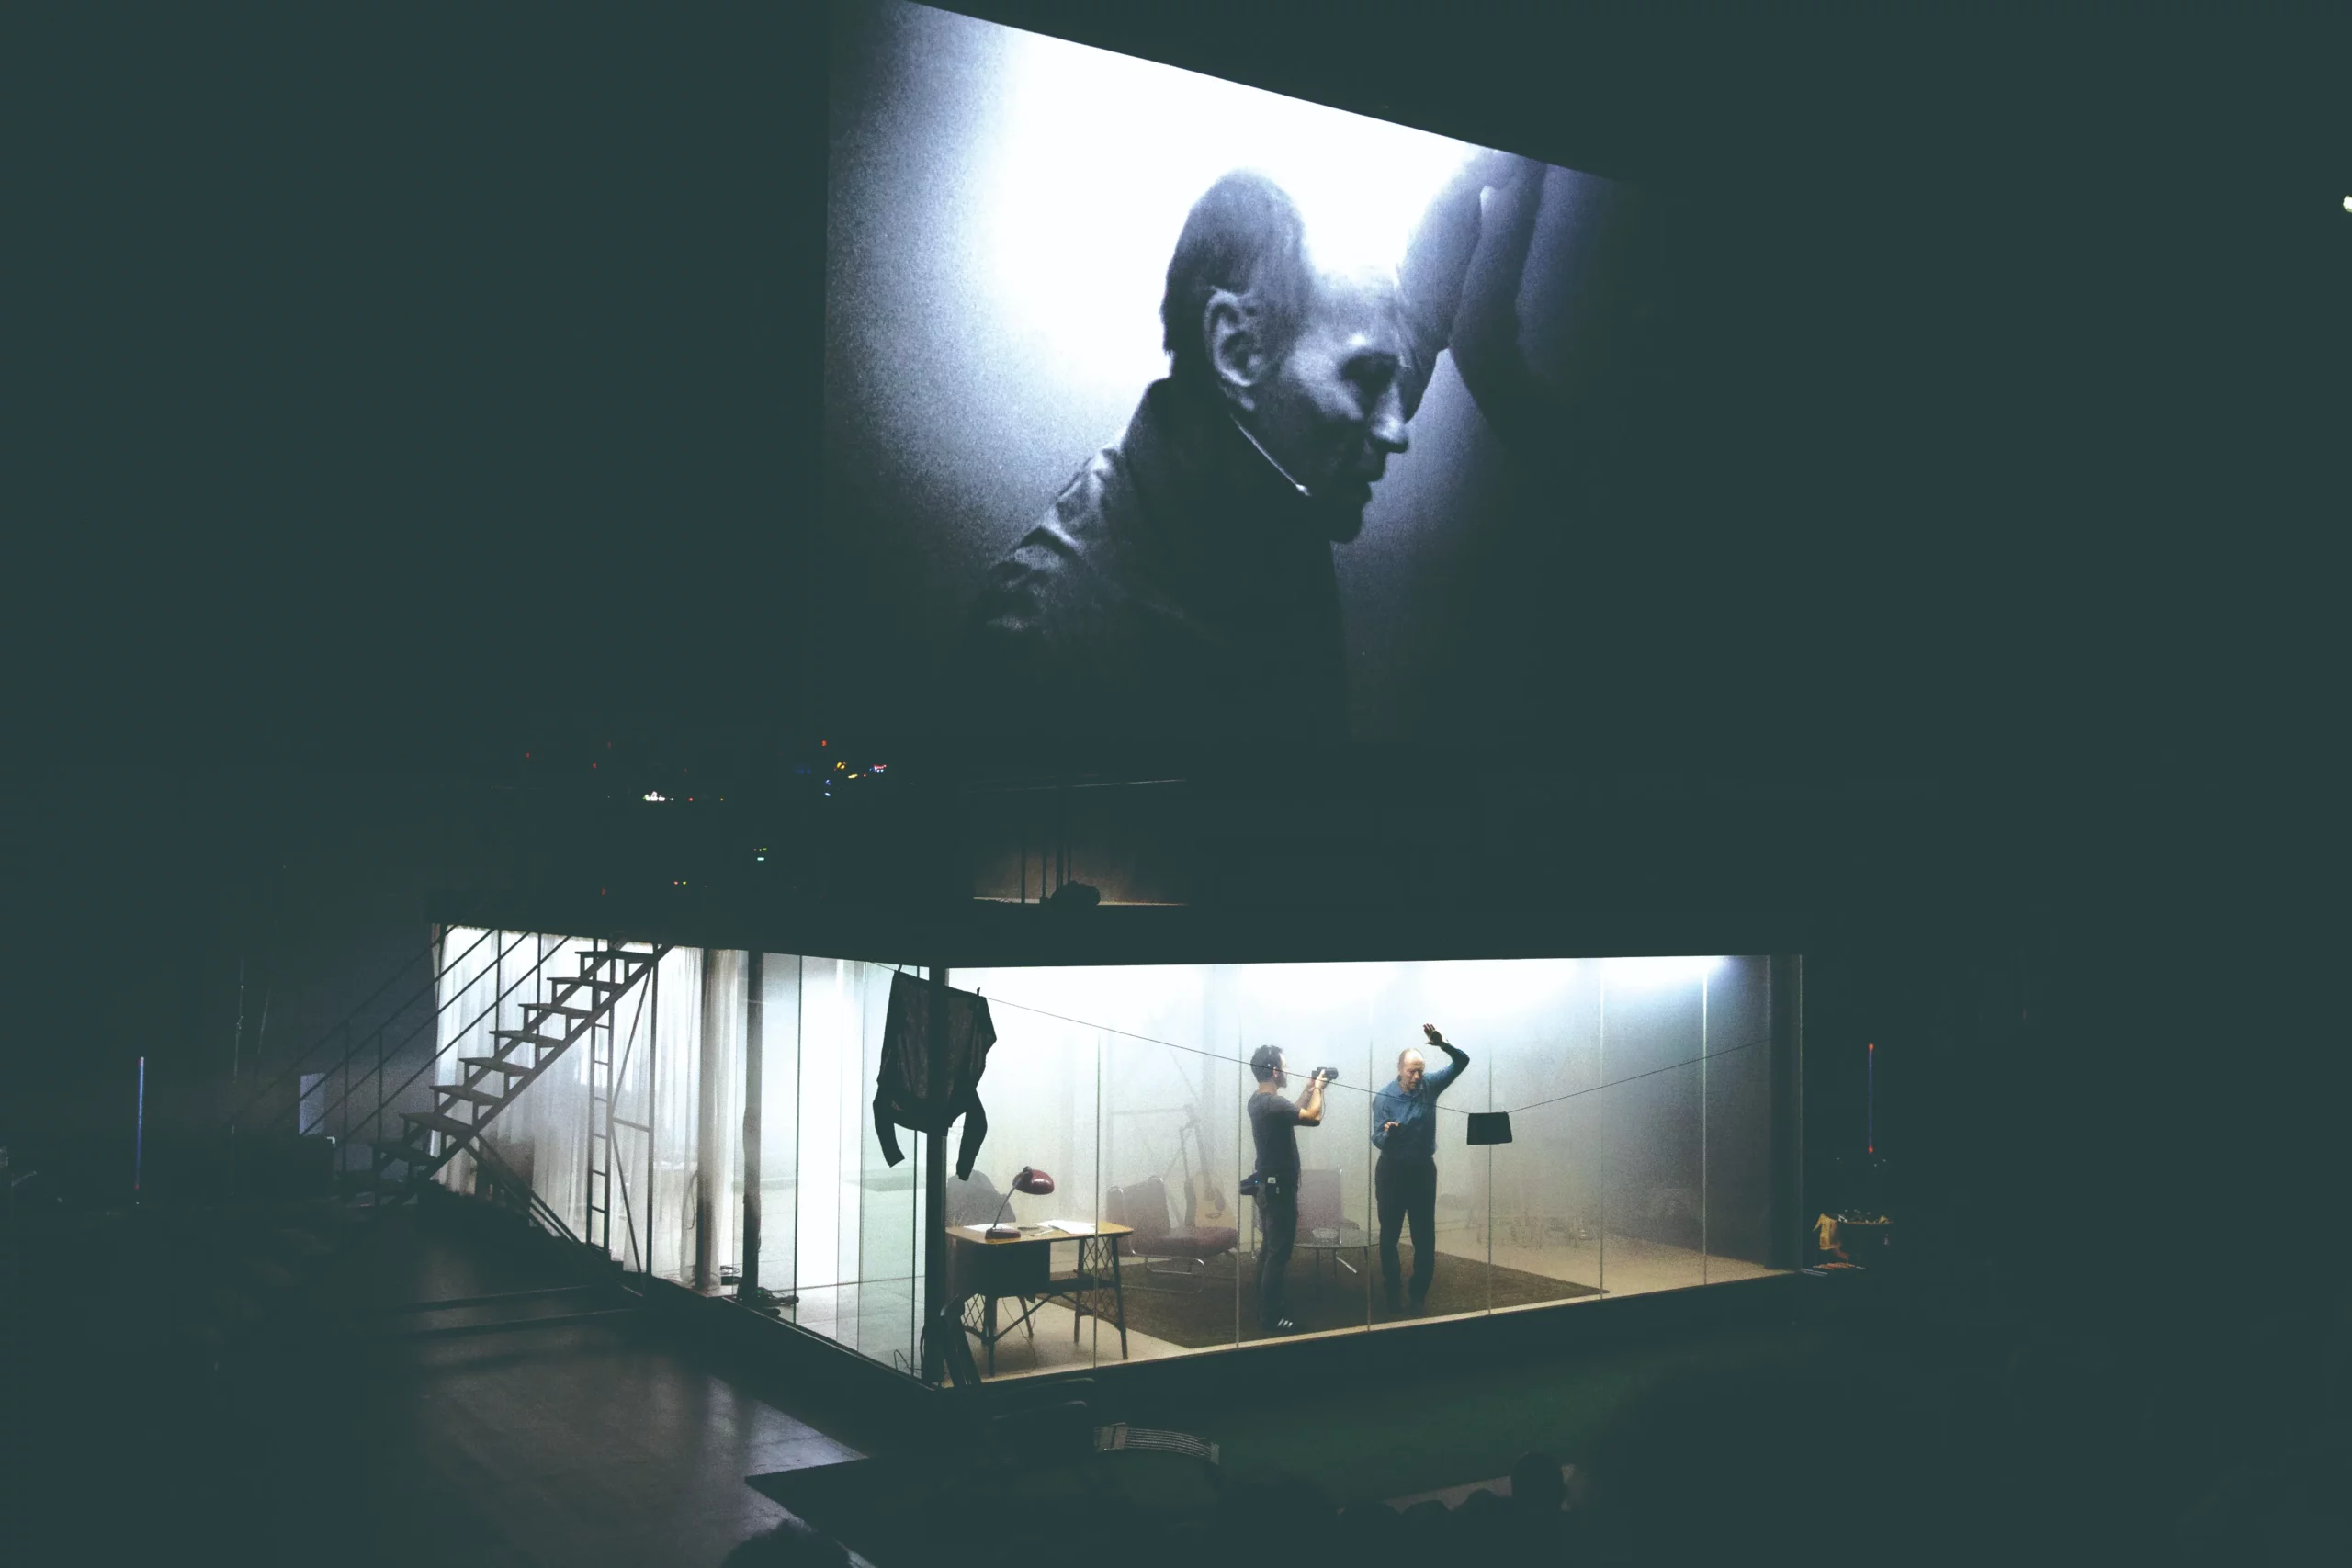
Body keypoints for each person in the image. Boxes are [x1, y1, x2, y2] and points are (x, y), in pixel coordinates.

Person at [962, 158, 1516, 739]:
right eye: (1369, 378)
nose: (1395, 430)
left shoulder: (1283, 453)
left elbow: (1418, 327)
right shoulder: (1042, 646)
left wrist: (1464, 190)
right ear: (1239, 348)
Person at [1370, 1023, 1469, 1313]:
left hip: (1423, 1172)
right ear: (1400, 1070)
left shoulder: (1431, 1086)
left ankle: (1417, 1295)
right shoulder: (1385, 1097)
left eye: (1420, 1070)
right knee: (1389, 1236)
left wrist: (1442, 1044)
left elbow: (1462, 1062)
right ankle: (1392, 1291)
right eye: (1412, 1071)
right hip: (1392, 1172)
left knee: (1424, 1237)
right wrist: (1388, 1132)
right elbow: (1376, 1138)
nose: (1417, 1076)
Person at [1246, 1044, 1329, 1335]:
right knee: (1278, 1255)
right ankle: (1271, 1318)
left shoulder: (1259, 1102)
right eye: (1285, 1066)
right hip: (1279, 1190)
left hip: (1268, 1189)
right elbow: (1313, 1117)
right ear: (1275, 1071)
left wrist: (1307, 1090)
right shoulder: (1273, 1104)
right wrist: (1319, 1089)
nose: (1288, 1071)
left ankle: (1264, 1307)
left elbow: (1292, 1111)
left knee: (1269, 1251)